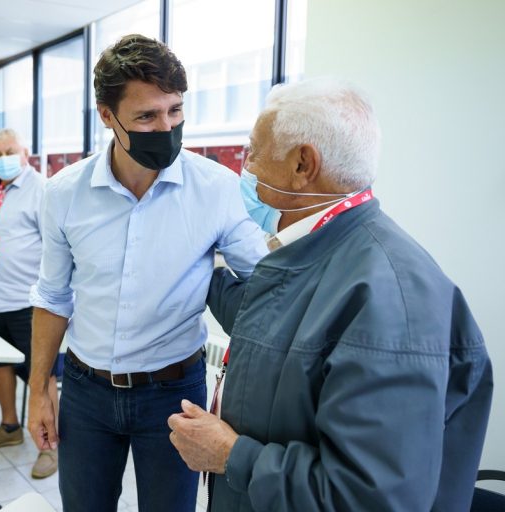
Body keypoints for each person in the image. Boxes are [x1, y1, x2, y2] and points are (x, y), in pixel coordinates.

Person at [167, 78, 493, 511]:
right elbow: (276, 330)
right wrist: (199, 270)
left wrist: (231, 456)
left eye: (253, 151)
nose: (246, 168)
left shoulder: (389, 299)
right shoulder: (317, 252)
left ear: (303, 165)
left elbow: (370, 498)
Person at [27, 34, 268, 511]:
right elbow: (53, 296)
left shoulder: (216, 189)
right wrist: (38, 389)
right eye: (146, 116)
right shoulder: (64, 194)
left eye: (175, 110)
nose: (166, 127)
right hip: (86, 391)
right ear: (107, 115)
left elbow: (266, 283)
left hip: (174, 394)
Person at [0, 128, 60, 479]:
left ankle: (50, 446)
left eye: (9, 151)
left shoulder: (41, 189)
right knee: (0, 363)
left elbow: (55, 246)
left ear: (25, 152)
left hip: (30, 300)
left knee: (42, 374)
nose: (3, 158)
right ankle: (9, 427)